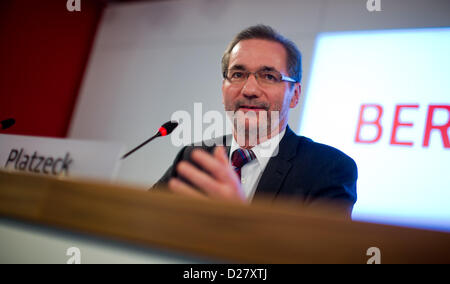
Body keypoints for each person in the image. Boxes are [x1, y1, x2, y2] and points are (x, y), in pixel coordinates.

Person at [152, 25, 357, 216]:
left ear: (295, 95)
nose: (249, 90)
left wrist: (237, 218)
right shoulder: (193, 157)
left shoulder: (329, 168)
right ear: (223, 88)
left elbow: (317, 253)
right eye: (238, 74)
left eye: (268, 76)